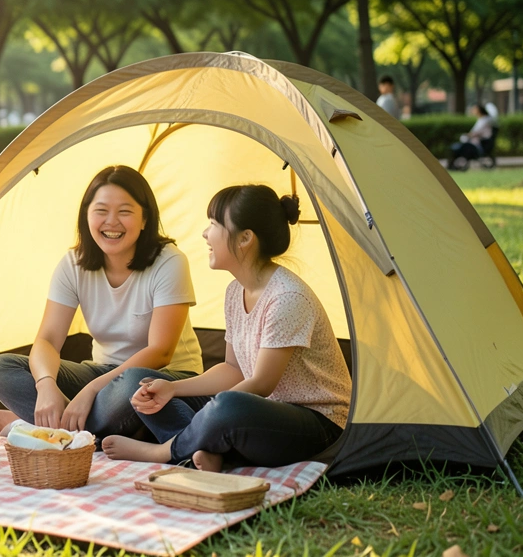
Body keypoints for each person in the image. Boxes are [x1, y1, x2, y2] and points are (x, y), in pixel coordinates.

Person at [102, 184, 351, 471]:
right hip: (261, 414)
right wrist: (172, 388)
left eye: (214, 224)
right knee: (144, 384)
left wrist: (213, 409)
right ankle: (209, 452)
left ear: (245, 238)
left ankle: (166, 451)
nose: (206, 234)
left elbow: (260, 384)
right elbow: (233, 369)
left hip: (318, 423)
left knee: (228, 407)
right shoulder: (236, 291)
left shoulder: (287, 297)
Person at [0, 165, 205, 441]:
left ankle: (40, 424)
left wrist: (88, 393)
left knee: (130, 388)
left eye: (125, 212)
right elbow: (48, 341)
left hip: (162, 379)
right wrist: (45, 387)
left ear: (145, 219)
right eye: (101, 211)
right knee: (3, 369)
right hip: (102, 375)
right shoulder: (73, 265)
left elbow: (161, 352)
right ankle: (78, 425)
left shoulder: (169, 262)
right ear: (86, 216)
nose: (111, 222)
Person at [448, 101, 497, 169]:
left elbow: (476, 132)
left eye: (474, 109)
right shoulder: (481, 120)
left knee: (465, 148)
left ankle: (457, 165)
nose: (473, 111)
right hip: (475, 142)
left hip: (480, 144)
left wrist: (467, 136)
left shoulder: (485, 120)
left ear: (479, 110)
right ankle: (453, 165)